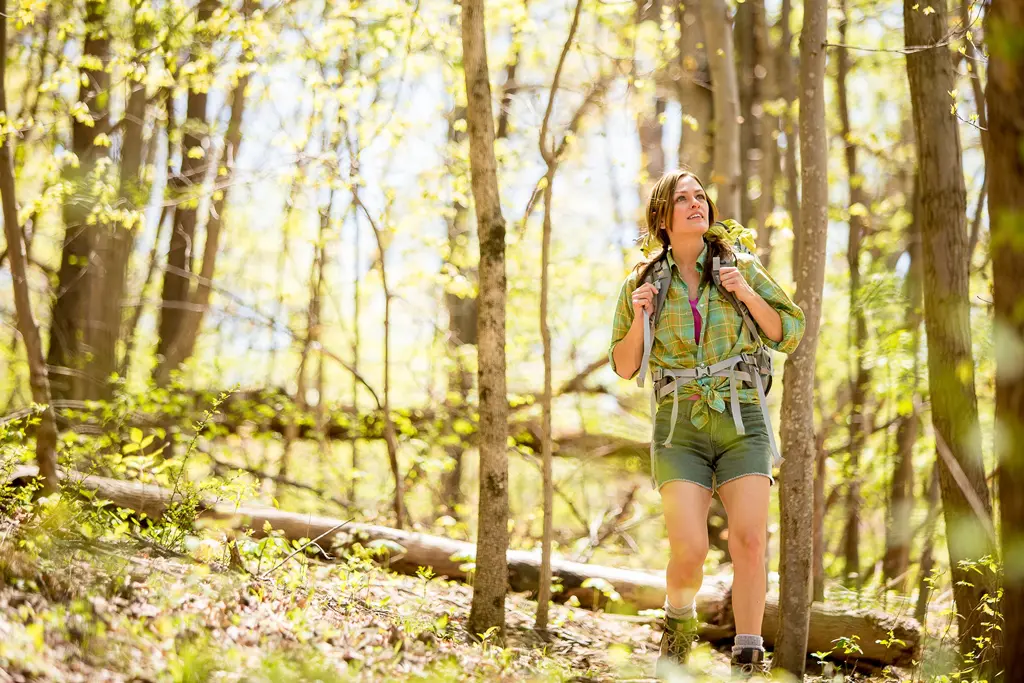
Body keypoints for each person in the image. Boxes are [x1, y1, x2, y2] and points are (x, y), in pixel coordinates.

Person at [608, 170, 805, 677]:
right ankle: (678, 628)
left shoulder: (741, 265)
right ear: (662, 217)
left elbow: (788, 334)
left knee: (749, 540)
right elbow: (626, 366)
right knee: (691, 548)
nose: (696, 204)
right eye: (682, 198)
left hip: (743, 419)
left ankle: (747, 655)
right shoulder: (642, 281)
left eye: (700, 196)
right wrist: (639, 316)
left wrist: (746, 293)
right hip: (680, 426)